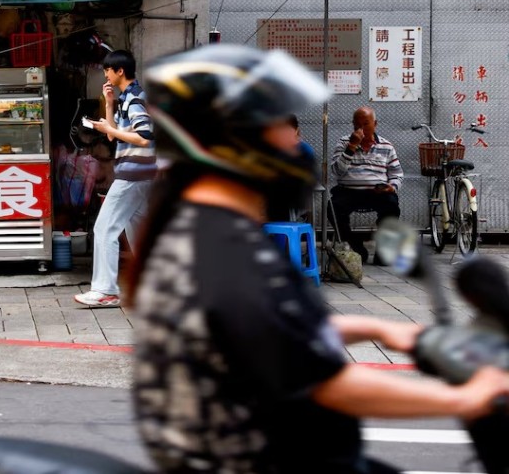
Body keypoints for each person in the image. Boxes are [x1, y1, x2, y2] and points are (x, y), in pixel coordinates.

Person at [126, 44, 509, 474]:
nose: (294, 147)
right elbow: (328, 384)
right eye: (277, 129)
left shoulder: (206, 229)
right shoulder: (219, 250)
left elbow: (272, 333)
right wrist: (464, 398)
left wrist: (380, 327)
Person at [74, 49, 156, 308]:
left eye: (108, 70)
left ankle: (106, 290)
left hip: (133, 173)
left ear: (120, 71)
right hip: (141, 174)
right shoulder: (126, 98)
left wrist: (109, 128)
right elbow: (113, 137)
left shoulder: (135, 100)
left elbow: (144, 136)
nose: (106, 75)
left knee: (105, 228)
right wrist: (109, 105)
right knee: (138, 233)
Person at [330, 106, 403, 264]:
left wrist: (392, 186)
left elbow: (397, 174)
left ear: (375, 124)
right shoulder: (344, 143)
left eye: (365, 124)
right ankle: (356, 247)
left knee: (391, 206)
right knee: (333, 208)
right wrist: (351, 148)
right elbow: (336, 171)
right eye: (357, 125)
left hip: (377, 192)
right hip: (348, 192)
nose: (360, 129)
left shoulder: (386, 146)